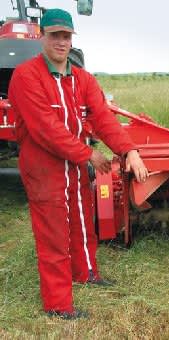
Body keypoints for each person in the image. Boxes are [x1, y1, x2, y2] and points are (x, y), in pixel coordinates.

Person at [8, 8, 149, 319]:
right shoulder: (26, 77)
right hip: (44, 168)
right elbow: (47, 129)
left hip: (73, 166)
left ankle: (86, 272)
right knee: (54, 234)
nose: (61, 42)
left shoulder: (82, 78)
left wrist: (130, 150)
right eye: (55, 35)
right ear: (42, 36)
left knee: (83, 220)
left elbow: (103, 118)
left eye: (67, 36)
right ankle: (58, 304)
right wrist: (88, 155)